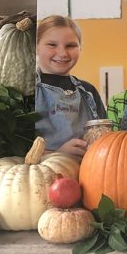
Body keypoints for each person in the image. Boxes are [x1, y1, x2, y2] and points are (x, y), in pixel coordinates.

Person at [35, 15, 107, 156]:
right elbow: (17, 150)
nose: (62, 53)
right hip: (43, 173)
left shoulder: (89, 92)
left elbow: (104, 139)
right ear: (36, 47)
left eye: (71, 45)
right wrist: (57, 154)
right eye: (52, 45)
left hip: (88, 171)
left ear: (80, 48)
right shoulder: (27, 90)